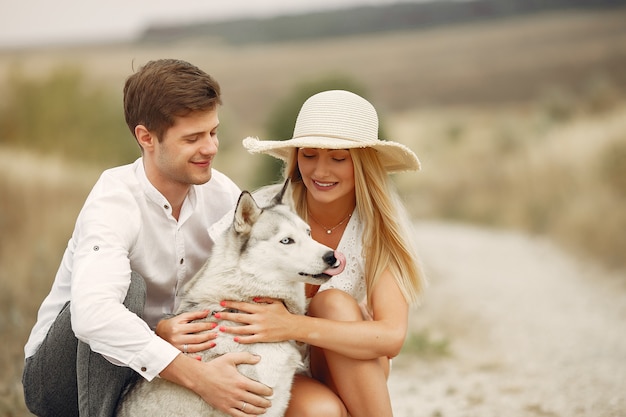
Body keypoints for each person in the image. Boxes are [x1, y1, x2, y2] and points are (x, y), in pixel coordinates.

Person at [22, 59, 272, 417]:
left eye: (213, 132)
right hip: (60, 379)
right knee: (128, 290)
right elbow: (92, 317)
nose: (211, 148)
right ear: (146, 137)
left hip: (151, 363)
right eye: (193, 138)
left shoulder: (221, 195)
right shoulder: (114, 200)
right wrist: (200, 377)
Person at [216, 89, 427, 416]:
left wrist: (291, 326)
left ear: (362, 164)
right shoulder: (268, 215)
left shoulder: (377, 229)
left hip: (348, 360)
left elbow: (391, 337)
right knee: (323, 412)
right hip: (271, 362)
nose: (320, 171)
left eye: (338, 158)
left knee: (334, 302)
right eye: (309, 155)